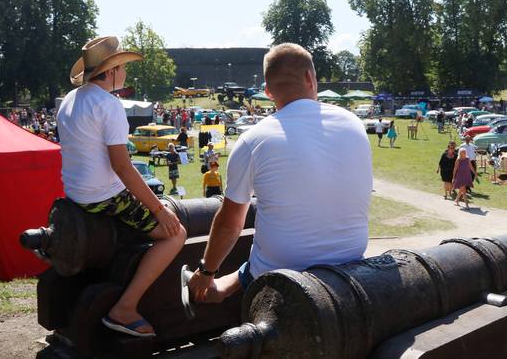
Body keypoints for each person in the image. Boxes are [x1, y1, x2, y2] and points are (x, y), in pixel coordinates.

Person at [186, 43, 372, 307]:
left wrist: (206, 271)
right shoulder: (354, 123)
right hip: (351, 261)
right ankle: (223, 287)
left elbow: (231, 223)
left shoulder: (253, 140)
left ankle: (215, 288)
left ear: (267, 91)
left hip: (281, 275)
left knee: (264, 253)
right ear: (310, 78)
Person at [57, 36, 186, 337]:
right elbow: (122, 166)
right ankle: (124, 308)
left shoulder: (69, 99)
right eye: (122, 66)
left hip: (75, 193)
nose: (126, 72)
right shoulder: (109, 105)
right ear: (111, 71)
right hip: (103, 196)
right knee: (175, 233)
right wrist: (158, 209)